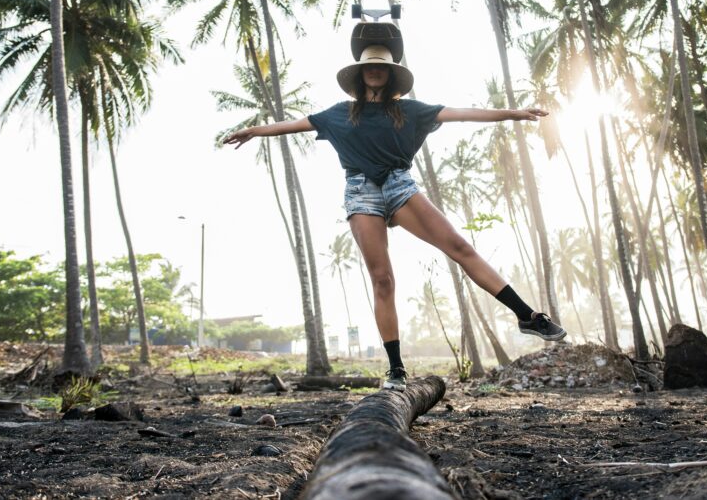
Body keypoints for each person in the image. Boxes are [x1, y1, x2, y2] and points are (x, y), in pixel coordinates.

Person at [223, 44, 566, 391]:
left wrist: (513, 113)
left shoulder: (410, 111)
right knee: (383, 280)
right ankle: (396, 368)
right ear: (360, 75)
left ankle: (527, 315)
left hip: (400, 187)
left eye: (381, 67)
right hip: (361, 193)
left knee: (461, 248)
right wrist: (254, 131)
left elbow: (463, 113)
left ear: (389, 75)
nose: (374, 71)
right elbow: (292, 125)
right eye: (369, 66)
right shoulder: (338, 114)